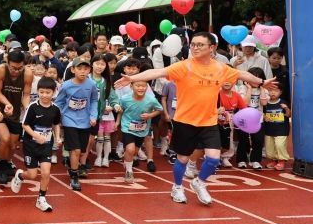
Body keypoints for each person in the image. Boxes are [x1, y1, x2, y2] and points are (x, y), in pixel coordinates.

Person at [114, 31, 275, 206]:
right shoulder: (184, 66)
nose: (195, 48)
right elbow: (157, 72)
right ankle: (177, 187)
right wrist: (132, 78)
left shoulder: (221, 68)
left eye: (200, 45)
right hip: (185, 121)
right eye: (193, 45)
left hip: (209, 122)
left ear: (211, 47)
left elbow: (242, 75)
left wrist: (261, 83)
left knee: (213, 158)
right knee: (182, 159)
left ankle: (199, 182)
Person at [10, 77, 61, 212]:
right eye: (42, 92)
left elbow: (56, 124)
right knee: (32, 175)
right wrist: (36, 135)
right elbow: (25, 125)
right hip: (31, 145)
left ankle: (41, 198)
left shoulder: (55, 109)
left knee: (46, 172)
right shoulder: (33, 107)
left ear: (54, 92)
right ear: (38, 91)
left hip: (46, 145)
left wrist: (58, 137)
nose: (44, 95)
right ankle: (20, 175)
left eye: (48, 92)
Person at [55, 58, 98, 191]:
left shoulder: (91, 84)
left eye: (85, 69)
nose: (83, 71)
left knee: (82, 150)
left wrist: (93, 115)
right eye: (79, 68)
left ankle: (70, 163)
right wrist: (59, 117)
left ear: (89, 70)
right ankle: (74, 176)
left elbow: (94, 100)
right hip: (69, 120)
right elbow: (59, 102)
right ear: (73, 70)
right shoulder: (66, 85)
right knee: (76, 150)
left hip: (85, 121)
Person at [0, 50, 33, 185]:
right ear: (7, 63)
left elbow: (26, 95)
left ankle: (4, 164)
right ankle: (2, 167)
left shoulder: (27, 74)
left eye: (19, 68)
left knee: (13, 145)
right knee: (5, 138)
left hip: (14, 111)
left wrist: (28, 109)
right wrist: (6, 104)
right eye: (13, 68)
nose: (16, 71)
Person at [116, 81, 162, 183]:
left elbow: (159, 109)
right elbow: (121, 111)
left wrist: (150, 115)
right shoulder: (125, 99)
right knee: (130, 149)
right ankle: (129, 171)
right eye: (138, 86)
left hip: (142, 129)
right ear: (131, 87)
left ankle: (127, 160)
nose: (141, 88)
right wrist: (117, 122)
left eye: (143, 86)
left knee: (134, 152)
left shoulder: (151, 99)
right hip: (127, 126)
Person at [236, 67, 268, 170]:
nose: (255, 81)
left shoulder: (264, 89)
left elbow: (264, 103)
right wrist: (249, 89)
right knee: (243, 139)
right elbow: (244, 103)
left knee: (258, 140)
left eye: (258, 78)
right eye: (253, 78)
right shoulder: (242, 88)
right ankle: (242, 159)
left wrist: (262, 88)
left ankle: (255, 160)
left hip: (258, 119)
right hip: (244, 118)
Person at [217, 77, 246, 168]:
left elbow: (244, 108)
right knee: (216, 139)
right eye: (225, 80)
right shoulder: (216, 94)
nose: (227, 83)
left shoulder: (236, 95)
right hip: (216, 119)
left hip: (230, 120)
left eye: (230, 81)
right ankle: (215, 158)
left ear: (234, 82)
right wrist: (217, 111)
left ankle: (225, 157)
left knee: (229, 139)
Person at [263, 85, 291, 170]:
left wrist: (286, 108)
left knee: (280, 145)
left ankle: (281, 161)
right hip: (269, 129)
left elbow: (288, 114)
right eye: (271, 90)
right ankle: (273, 160)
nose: (273, 92)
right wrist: (264, 117)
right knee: (269, 147)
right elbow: (262, 113)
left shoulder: (283, 102)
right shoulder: (265, 103)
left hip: (282, 129)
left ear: (280, 92)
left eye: (276, 91)